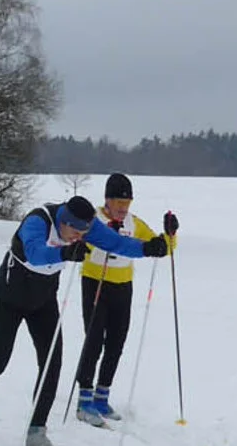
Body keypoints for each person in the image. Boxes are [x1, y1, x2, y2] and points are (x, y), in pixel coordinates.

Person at [0, 194, 168, 446]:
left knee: (51, 364)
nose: (78, 237)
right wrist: (64, 252)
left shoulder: (84, 225)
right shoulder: (38, 221)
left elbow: (115, 242)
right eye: (75, 232)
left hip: (43, 299)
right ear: (64, 222)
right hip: (11, 296)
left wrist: (148, 248)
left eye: (84, 233)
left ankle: (37, 430)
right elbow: (34, 254)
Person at [74, 173, 178, 426]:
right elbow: (80, 243)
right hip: (95, 283)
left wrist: (170, 234)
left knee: (116, 343)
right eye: (119, 203)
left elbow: (162, 247)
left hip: (123, 287)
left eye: (127, 203)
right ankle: (84, 399)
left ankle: (102, 396)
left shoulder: (134, 222)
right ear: (107, 200)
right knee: (94, 341)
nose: (123, 208)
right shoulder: (93, 219)